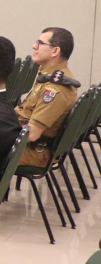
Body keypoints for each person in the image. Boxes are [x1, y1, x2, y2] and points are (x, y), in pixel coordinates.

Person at [16, 27, 79, 168]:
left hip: (33, 151)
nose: (34, 46)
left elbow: (32, 134)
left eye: (40, 43)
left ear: (55, 51)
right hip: (27, 143)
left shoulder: (55, 88)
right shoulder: (48, 77)